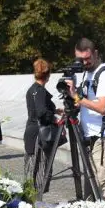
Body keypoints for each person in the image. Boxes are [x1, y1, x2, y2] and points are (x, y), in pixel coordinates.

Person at [66, 37, 105, 204]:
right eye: (80, 59)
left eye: (87, 58)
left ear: (96, 53)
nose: (84, 62)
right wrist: (73, 100)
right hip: (89, 136)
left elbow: (103, 107)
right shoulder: (86, 74)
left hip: (104, 137)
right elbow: (85, 101)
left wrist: (77, 97)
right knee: (90, 181)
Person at [23, 59, 63, 192]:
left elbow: (37, 108)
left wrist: (54, 110)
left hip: (32, 131)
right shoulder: (39, 91)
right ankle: (37, 202)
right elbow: (41, 112)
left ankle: (32, 201)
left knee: (32, 168)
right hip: (40, 134)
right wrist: (55, 119)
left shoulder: (32, 89)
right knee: (40, 169)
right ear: (48, 75)